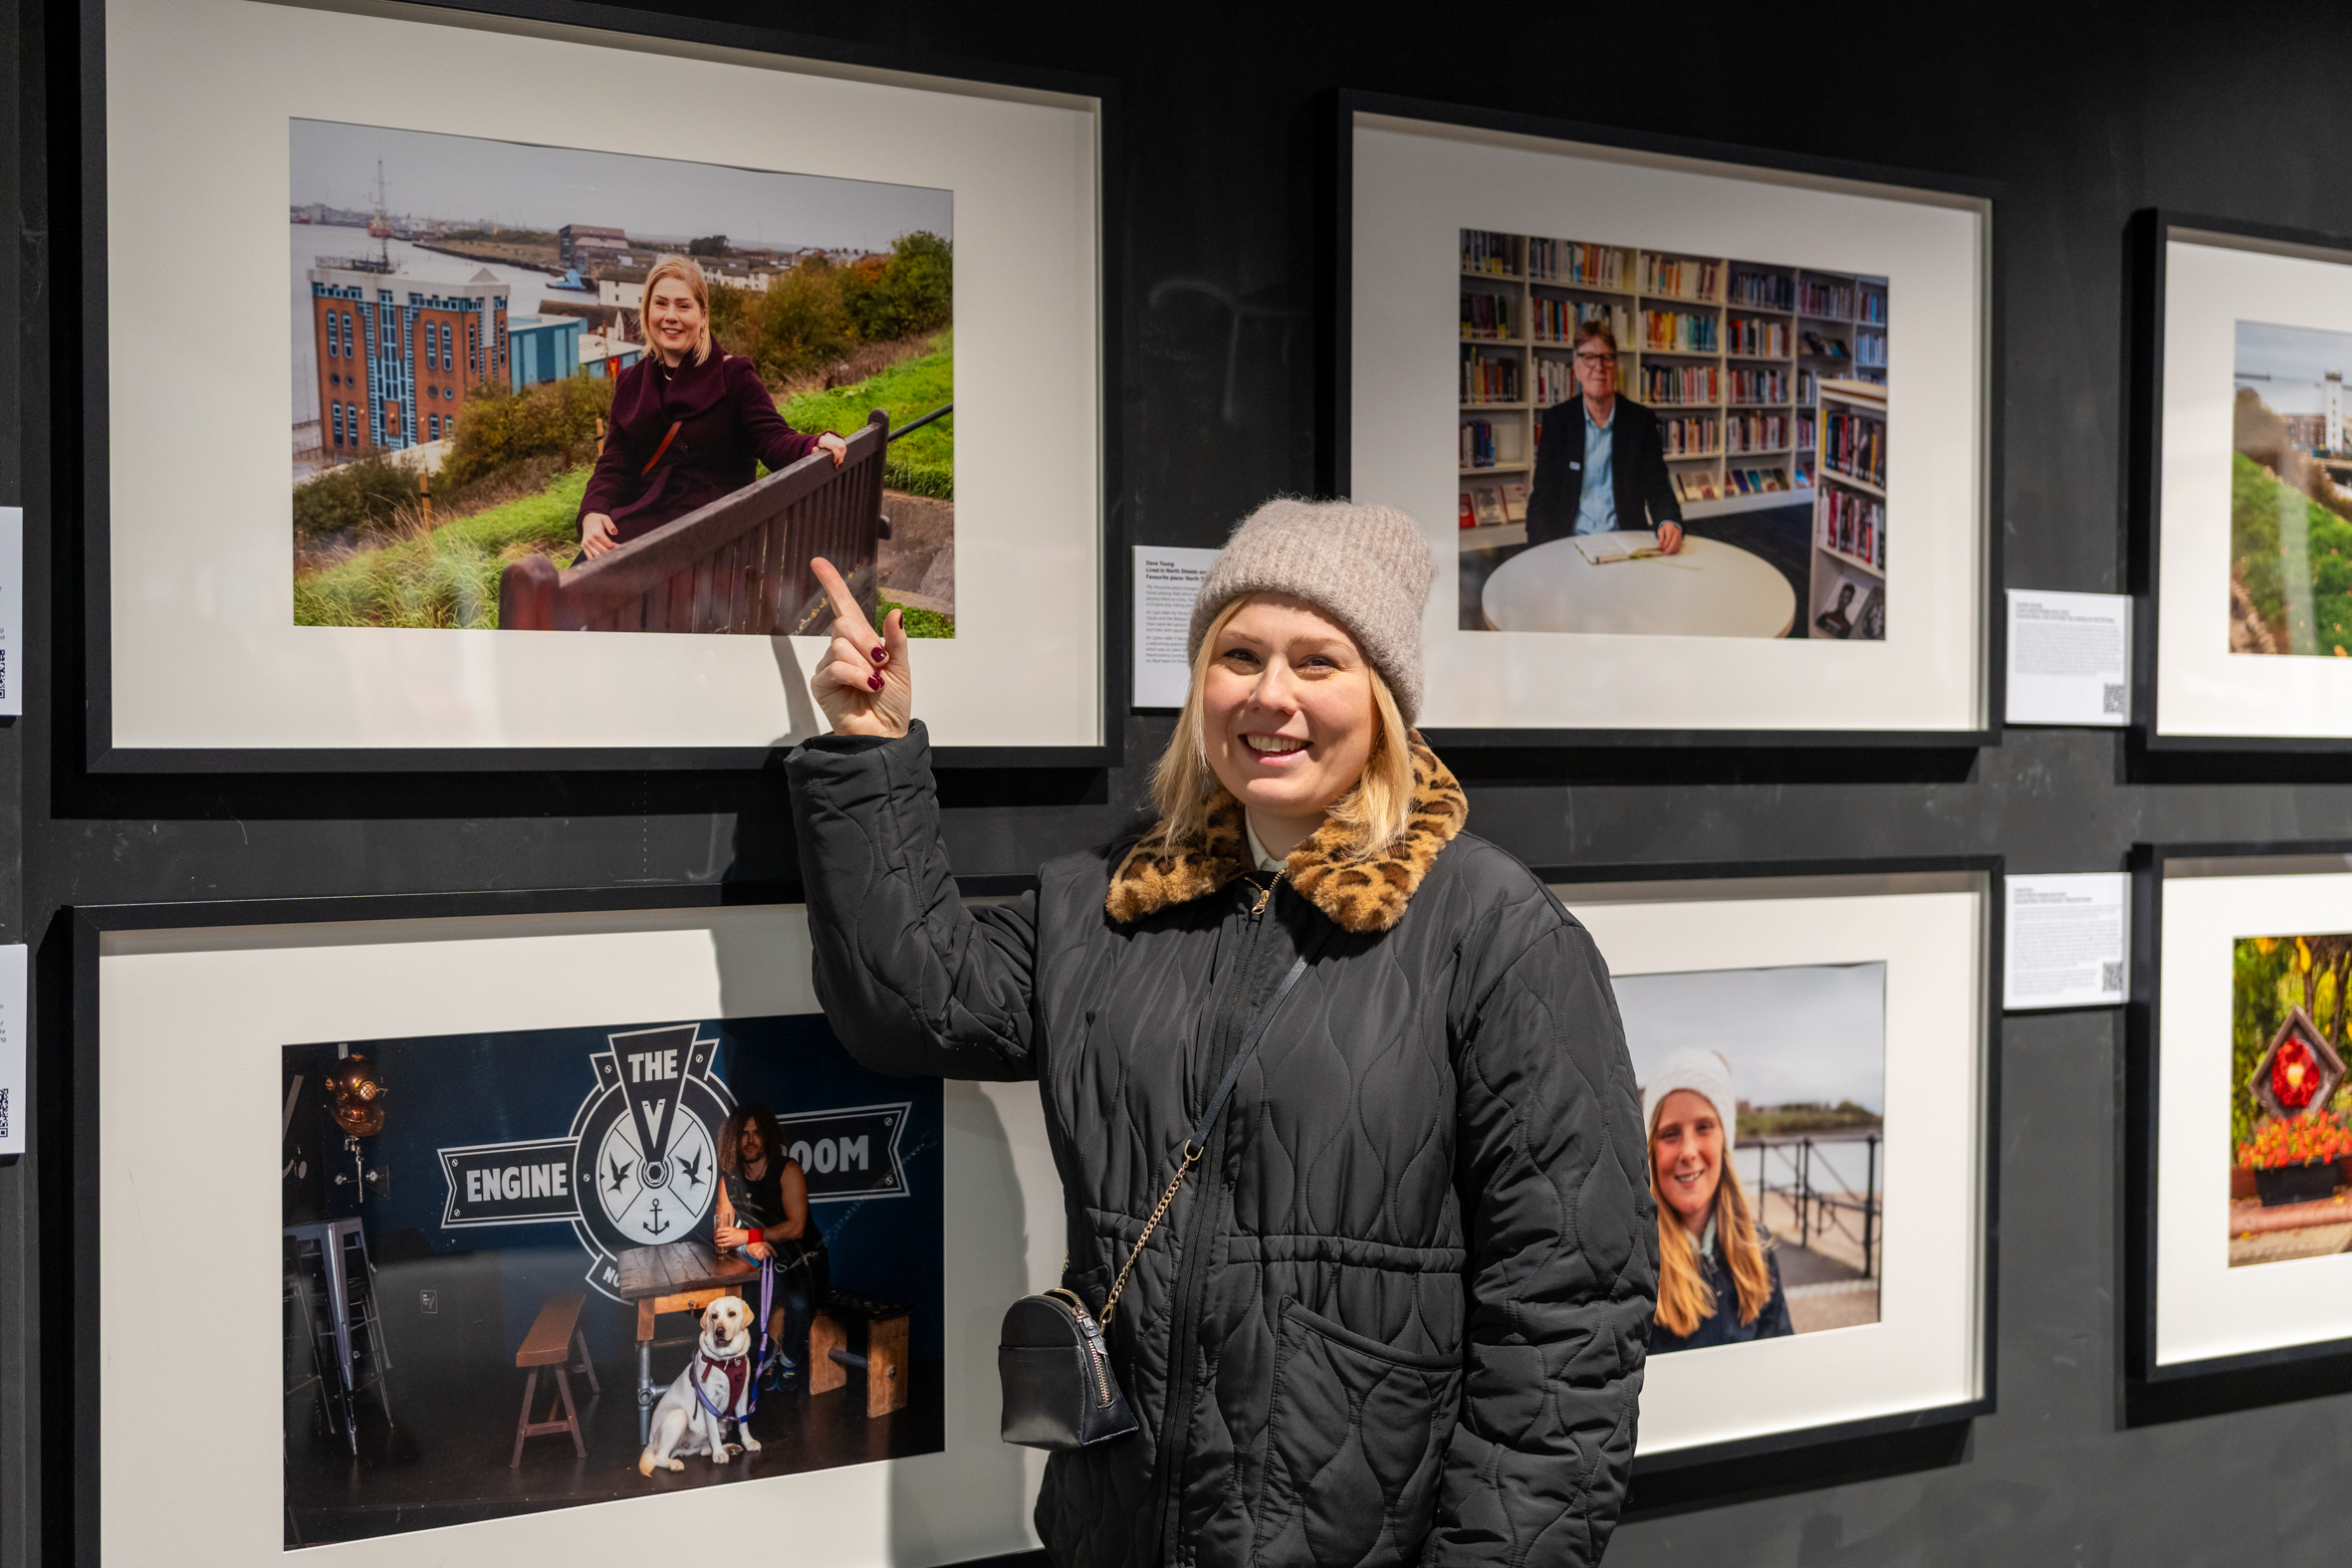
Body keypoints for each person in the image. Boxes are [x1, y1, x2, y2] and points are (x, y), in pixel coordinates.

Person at [785, 501, 1656, 1568]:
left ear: (1382, 697)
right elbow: (907, 1004)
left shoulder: (1496, 936)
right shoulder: (1116, 903)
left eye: (1317, 661)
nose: (1270, 696)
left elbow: (1569, 1323)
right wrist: (867, 756)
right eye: (1238, 654)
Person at [575, 254, 847, 560]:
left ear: (703, 316)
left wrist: (811, 444)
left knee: (594, 581)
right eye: (661, 303)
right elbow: (615, 463)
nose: (670, 315)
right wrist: (593, 511)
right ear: (647, 310)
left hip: (715, 536)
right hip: (649, 522)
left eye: (683, 305)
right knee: (583, 572)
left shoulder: (733, 376)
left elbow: (772, 438)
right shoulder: (631, 381)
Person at [1643, 1047, 1792, 1354]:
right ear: (1651, 1149)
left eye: (1703, 1128)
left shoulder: (1758, 1250)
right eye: (1670, 1134)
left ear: (1725, 1138)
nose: (1687, 1151)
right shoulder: (1634, 1264)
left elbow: (1783, 1369)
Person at [1525, 322, 1686, 554]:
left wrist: (1669, 522)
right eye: (1589, 357)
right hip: (1571, 545)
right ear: (1576, 367)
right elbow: (1541, 501)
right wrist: (1547, 553)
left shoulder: (1640, 421)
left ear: (1615, 366)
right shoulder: (1557, 421)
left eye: (1606, 357)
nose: (1598, 367)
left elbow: (1658, 486)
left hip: (1627, 545)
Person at [712, 1101, 829, 1377]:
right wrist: (746, 1243)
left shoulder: (787, 1169)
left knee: (799, 1305)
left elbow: (796, 1228)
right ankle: (763, 1360)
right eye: (743, 1133)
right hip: (765, 1260)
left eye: (757, 1132)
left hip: (805, 1257)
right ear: (733, 1138)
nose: (750, 1140)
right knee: (747, 1306)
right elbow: (722, 1234)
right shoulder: (729, 1178)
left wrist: (747, 1235)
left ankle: (788, 1362)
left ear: (768, 1136)